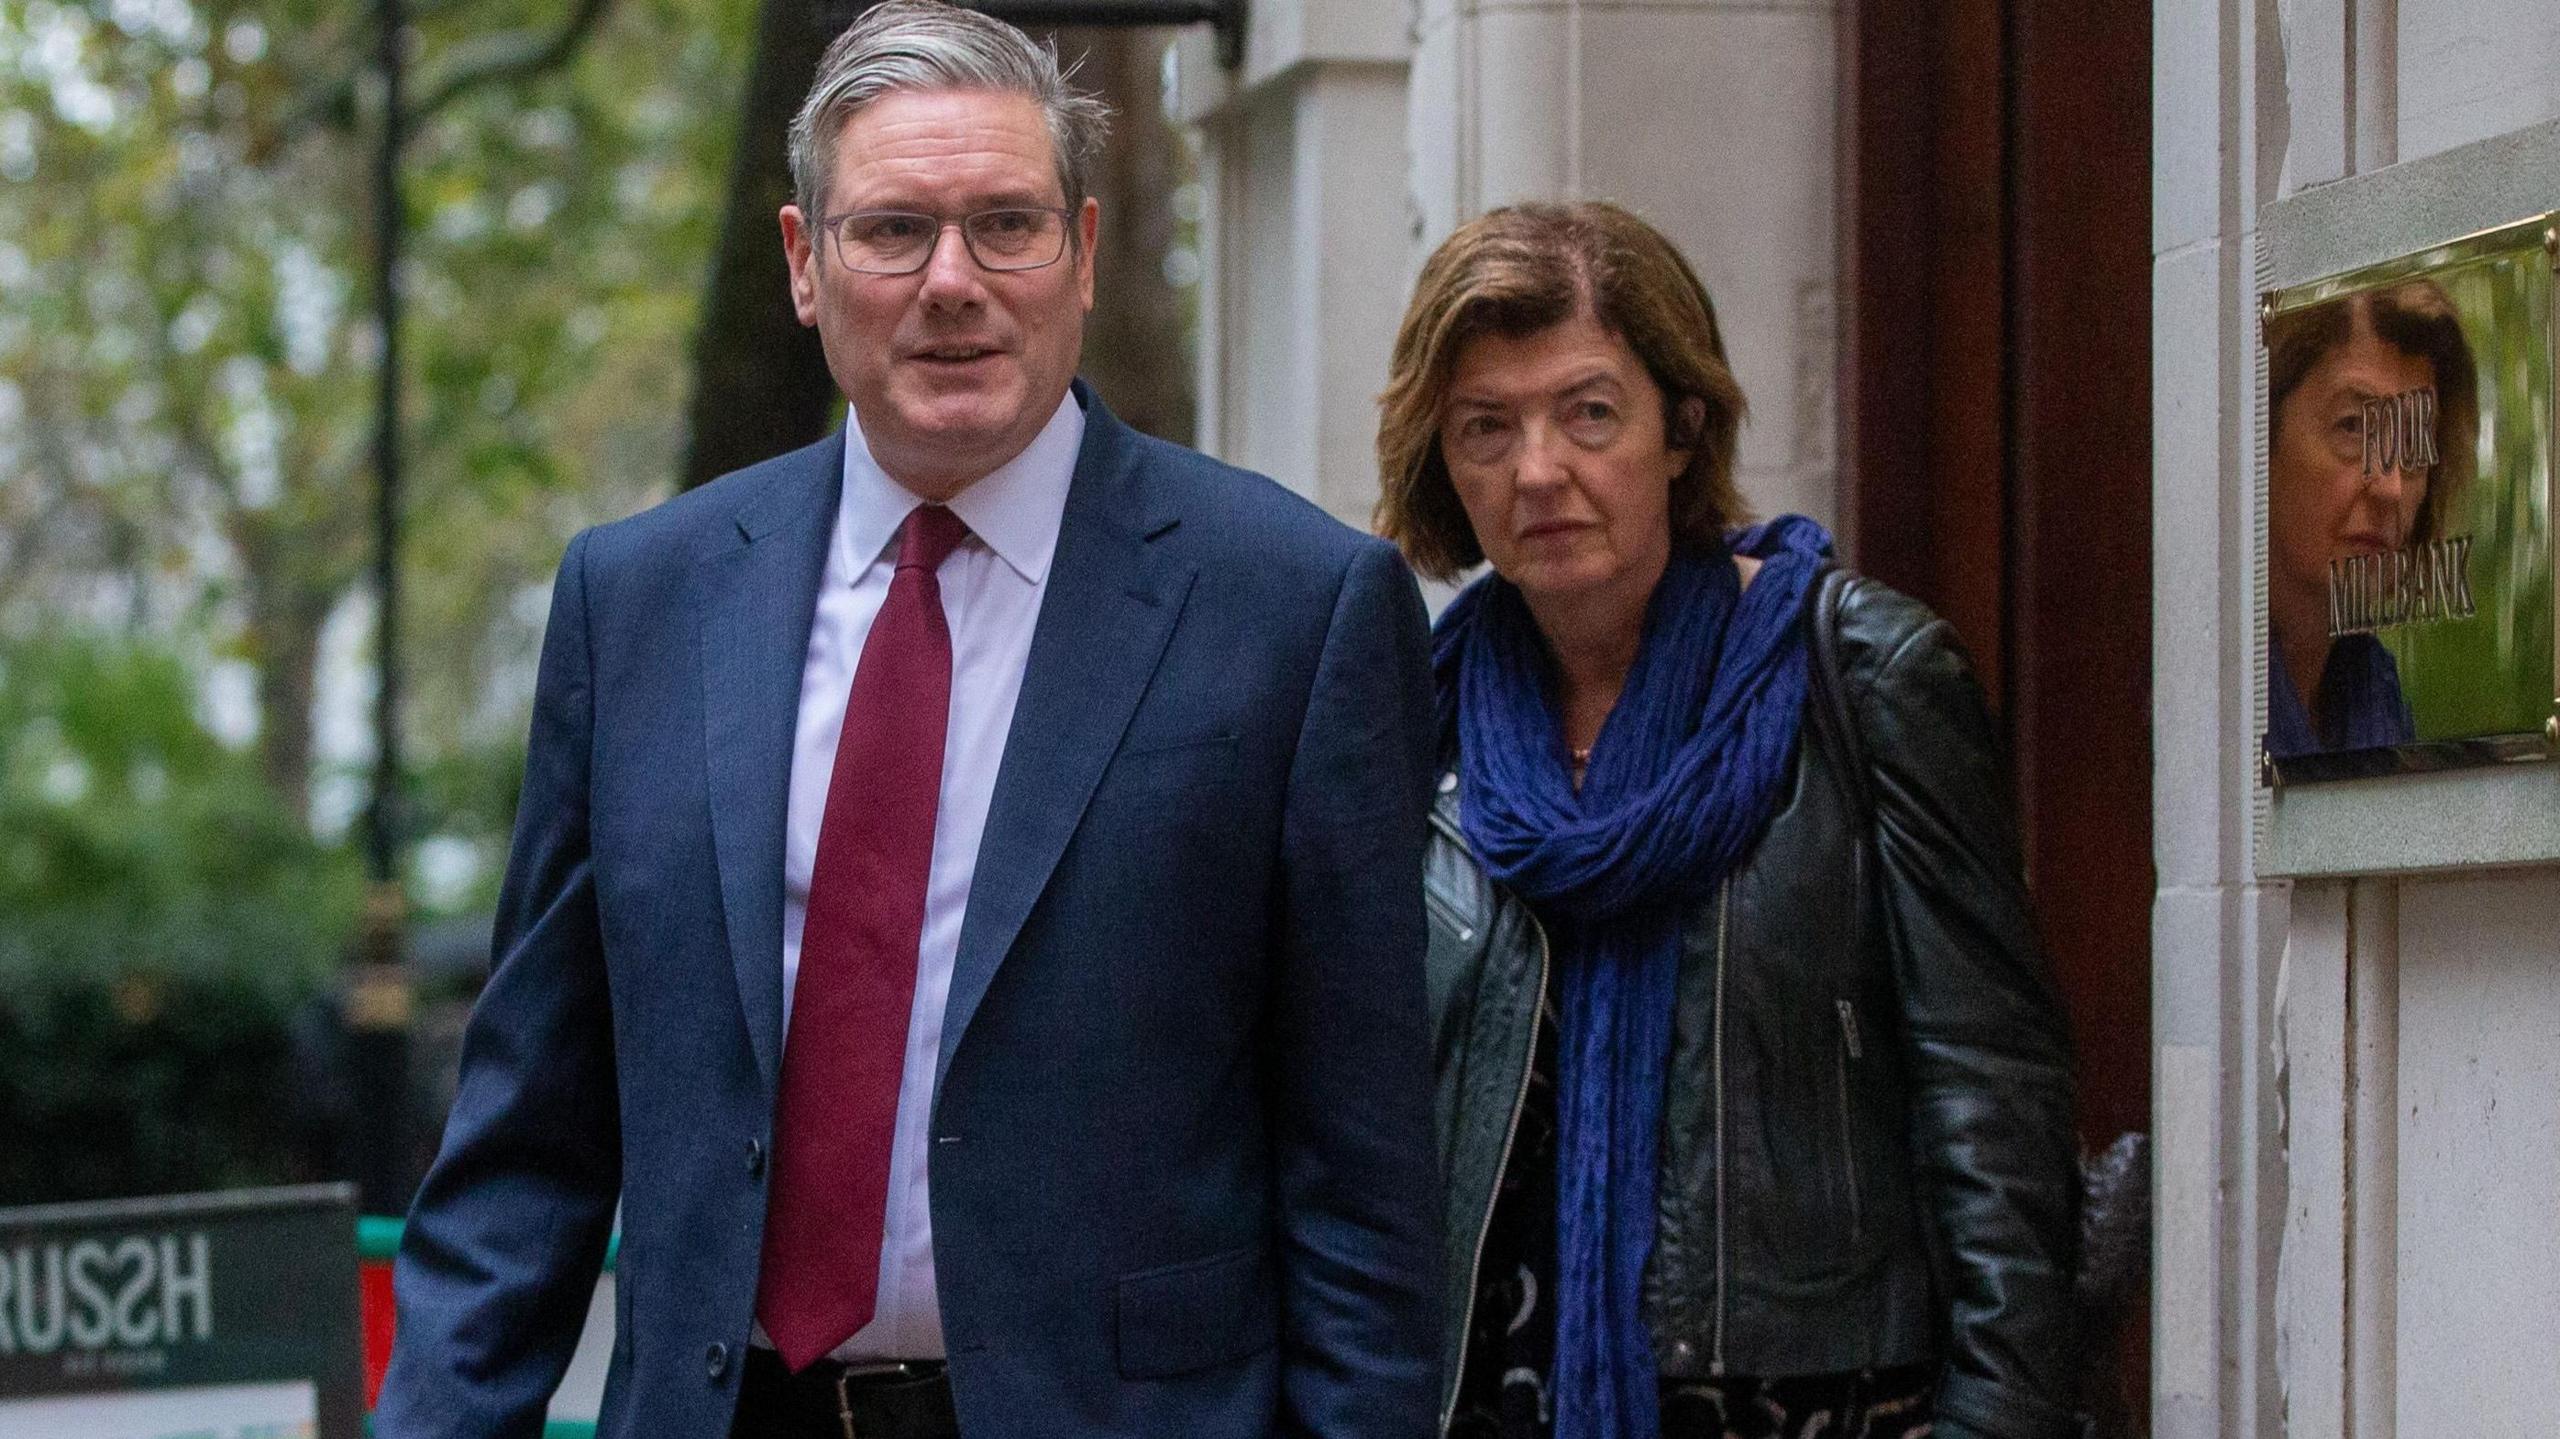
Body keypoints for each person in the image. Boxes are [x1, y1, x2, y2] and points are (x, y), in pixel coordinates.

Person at [375, 4, 1444, 1436]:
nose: (954, 281)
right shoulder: (638, 603)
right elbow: (524, 1145)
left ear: (1083, 249)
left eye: (1006, 223)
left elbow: (1363, 1190)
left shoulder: (1294, 611)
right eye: (893, 231)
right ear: (806, 265)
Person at [1375, 202, 2079, 1439]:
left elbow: (1993, 1097)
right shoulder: (1404, 724)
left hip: (1819, 1402)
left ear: (1682, 426)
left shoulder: (1861, 679)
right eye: (1487, 426)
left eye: (1588, 411)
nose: (1538, 469)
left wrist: (2001, 1416)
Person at [2263, 279, 2476, 757]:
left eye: (2415, 447)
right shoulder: (2206, 688)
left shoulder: (2375, 687)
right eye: (2354, 427)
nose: (2392, 488)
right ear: (2261, 434)